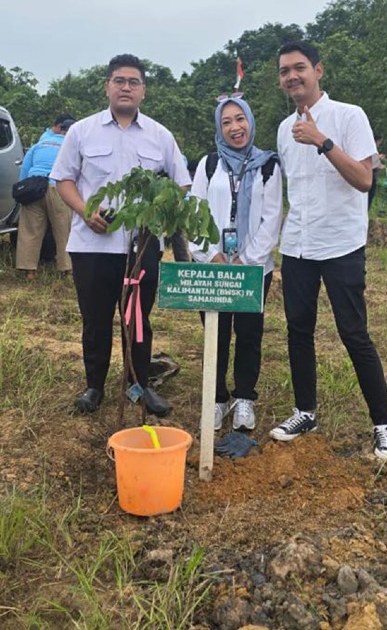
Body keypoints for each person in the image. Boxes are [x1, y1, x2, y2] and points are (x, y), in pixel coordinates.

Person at [269, 40, 387, 464]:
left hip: (341, 244)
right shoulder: (283, 130)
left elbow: (364, 179)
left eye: (299, 68)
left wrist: (322, 141)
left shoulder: (348, 116)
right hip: (298, 245)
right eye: (285, 71)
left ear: (318, 70)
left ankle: (384, 427)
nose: (292, 76)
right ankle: (304, 411)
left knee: (354, 333)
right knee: (298, 330)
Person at [52, 54, 192, 417]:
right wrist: (86, 210)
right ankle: (94, 386)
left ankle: (139, 385)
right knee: (95, 319)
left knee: (139, 320)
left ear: (143, 90)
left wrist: (155, 213)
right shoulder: (82, 131)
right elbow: (63, 180)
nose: (126, 87)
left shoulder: (160, 135)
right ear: (107, 87)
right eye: (119, 80)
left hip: (141, 246)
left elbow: (182, 182)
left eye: (133, 82)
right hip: (91, 246)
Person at [188, 96, 283, 433]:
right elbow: (194, 212)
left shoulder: (269, 165)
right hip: (212, 266)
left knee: (248, 333)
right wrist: (211, 255)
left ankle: (244, 398)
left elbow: (271, 219)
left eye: (239, 119)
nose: (234, 128)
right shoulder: (208, 164)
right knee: (215, 333)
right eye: (226, 122)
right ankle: (216, 399)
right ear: (219, 127)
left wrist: (245, 261)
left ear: (251, 122)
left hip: (254, 268)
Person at [16, 113, 75, 279]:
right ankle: (66, 271)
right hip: (58, 188)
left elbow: (25, 170)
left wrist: (23, 193)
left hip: (34, 189)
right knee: (64, 231)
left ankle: (29, 272)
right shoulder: (69, 145)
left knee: (30, 230)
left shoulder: (39, 144)